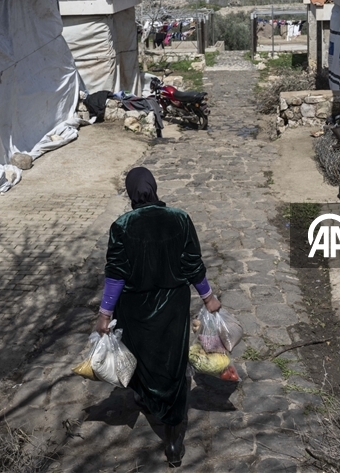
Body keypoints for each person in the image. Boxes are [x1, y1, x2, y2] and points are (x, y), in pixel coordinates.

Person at [95, 167, 220, 467]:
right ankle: (174, 441)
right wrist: (208, 296)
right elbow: (193, 263)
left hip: (136, 309)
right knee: (173, 367)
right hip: (173, 307)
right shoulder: (179, 219)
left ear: (130, 192)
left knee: (144, 360)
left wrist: (104, 313)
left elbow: (116, 274)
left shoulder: (122, 226)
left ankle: (147, 400)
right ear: (154, 187)